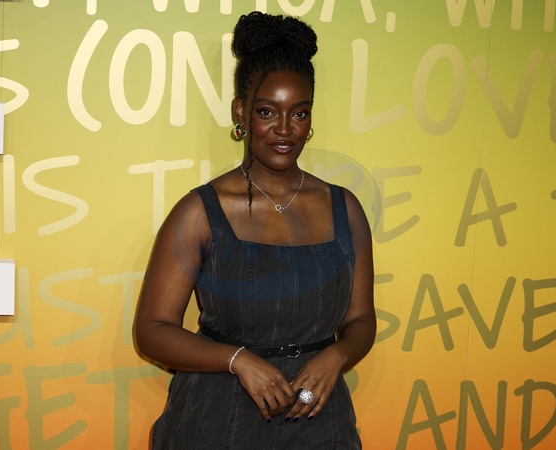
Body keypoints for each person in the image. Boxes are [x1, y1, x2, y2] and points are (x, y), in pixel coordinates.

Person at [134, 11, 376, 449]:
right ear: (240, 112)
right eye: (267, 111)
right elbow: (152, 329)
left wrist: (335, 357)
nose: (284, 129)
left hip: (317, 418)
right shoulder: (199, 212)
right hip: (216, 420)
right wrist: (238, 360)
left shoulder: (346, 209)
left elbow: (361, 319)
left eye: (299, 113)